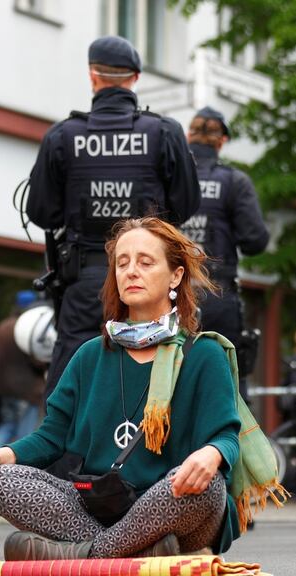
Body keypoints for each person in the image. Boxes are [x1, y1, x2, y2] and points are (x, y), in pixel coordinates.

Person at [0, 217, 254, 560]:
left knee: (204, 487)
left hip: (175, 508)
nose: (131, 271)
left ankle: (83, 556)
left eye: (145, 262)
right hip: (101, 504)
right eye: (122, 262)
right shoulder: (90, 355)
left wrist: (211, 454)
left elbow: (226, 439)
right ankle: (137, 552)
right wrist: (2, 455)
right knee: (5, 482)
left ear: (176, 275)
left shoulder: (204, 354)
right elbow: (50, 438)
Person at [26, 36, 201, 400]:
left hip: (85, 278)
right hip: (149, 280)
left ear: (93, 77)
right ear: (135, 78)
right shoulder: (164, 132)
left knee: (69, 390)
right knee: (154, 377)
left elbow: (41, 212)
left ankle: (70, 459)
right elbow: (185, 206)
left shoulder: (62, 136)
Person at [180, 107, 269, 397]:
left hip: (171, 296)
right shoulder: (234, 182)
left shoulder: (170, 179)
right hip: (217, 295)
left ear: (188, 135)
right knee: (227, 385)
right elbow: (255, 240)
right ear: (222, 141)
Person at [0, 291, 46, 453]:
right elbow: (37, 361)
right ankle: (19, 468)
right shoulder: (29, 329)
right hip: (25, 389)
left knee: (8, 425)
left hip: (1, 388)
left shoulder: (3, 326)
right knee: (25, 433)